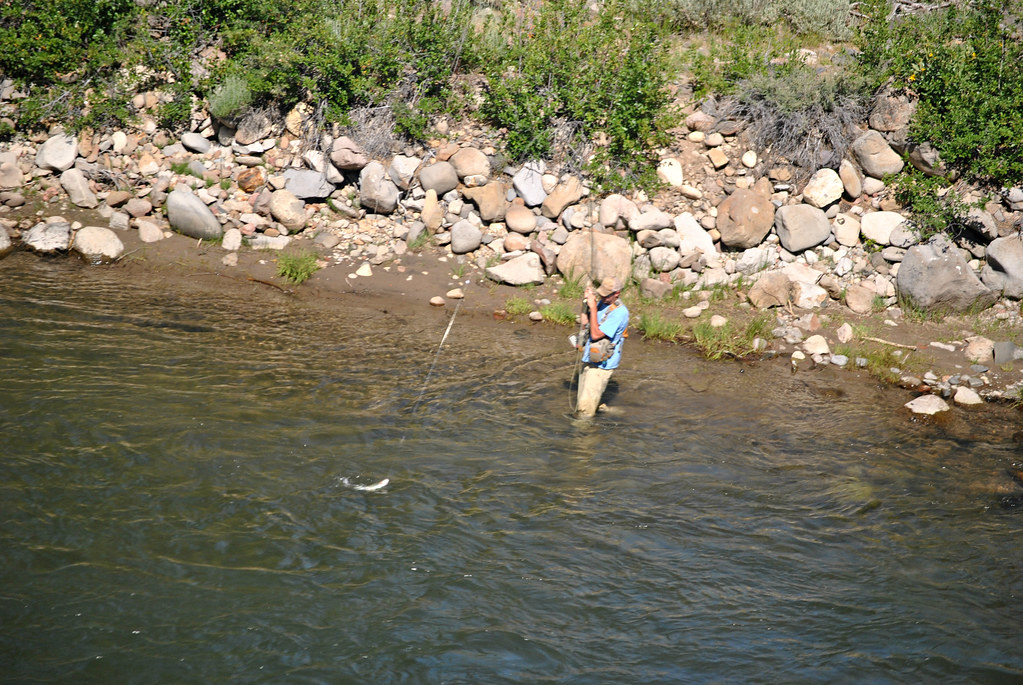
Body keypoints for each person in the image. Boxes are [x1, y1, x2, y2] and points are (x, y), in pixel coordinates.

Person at [576, 276, 629, 416]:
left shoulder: (620, 313)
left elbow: (595, 334)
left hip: (602, 365)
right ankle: (604, 409)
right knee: (583, 399)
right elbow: (585, 324)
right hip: (589, 357)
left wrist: (593, 308)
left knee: (584, 412)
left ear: (616, 293)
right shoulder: (602, 303)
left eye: (606, 295)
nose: (602, 297)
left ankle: (583, 435)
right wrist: (585, 304)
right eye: (601, 294)